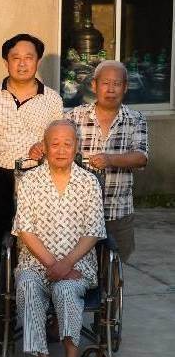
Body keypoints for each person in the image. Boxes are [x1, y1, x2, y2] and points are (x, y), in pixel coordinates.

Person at [0, 34, 63, 334]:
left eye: (29, 57)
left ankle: (45, 310)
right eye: (16, 57)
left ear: (38, 61)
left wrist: (46, 147)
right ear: (6, 61)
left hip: (39, 180)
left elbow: (59, 139)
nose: (22, 63)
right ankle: (1, 309)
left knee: (40, 243)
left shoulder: (52, 99)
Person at [13, 120, 106, 357]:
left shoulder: (88, 182)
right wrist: (53, 264)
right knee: (27, 285)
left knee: (66, 290)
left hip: (77, 266)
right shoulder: (29, 181)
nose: (61, 150)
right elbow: (25, 230)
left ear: (76, 147)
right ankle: (41, 356)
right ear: (44, 147)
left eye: (67, 143)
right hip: (35, 263)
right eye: (54, 144)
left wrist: (65, 265)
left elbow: (94, 230)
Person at [30, 61, 148, 262]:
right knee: (78, 266)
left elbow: (141, 157)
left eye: (117, 84)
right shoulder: (74, 116)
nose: (111, 89)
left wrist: (110, 159)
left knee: (115, 267)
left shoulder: (136, 119)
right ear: (94, 85)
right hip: (77, 214)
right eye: (105, 83)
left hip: (117, 210)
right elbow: (54, 142)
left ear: (125, 87)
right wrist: (40, 147)